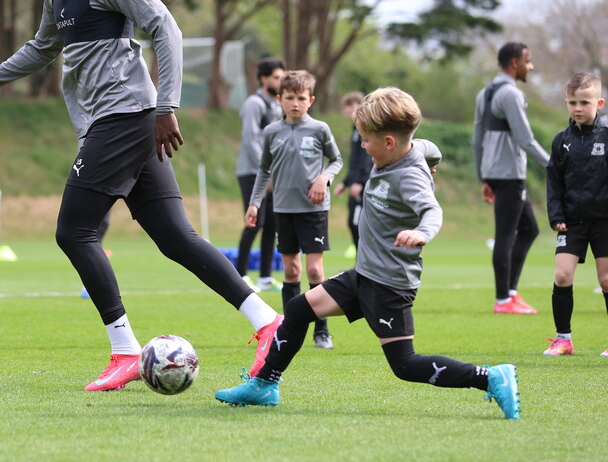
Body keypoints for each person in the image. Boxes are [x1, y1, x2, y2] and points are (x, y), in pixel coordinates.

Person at [0, 0, 282, 392]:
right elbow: (42, 48)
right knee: (176, 239)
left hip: (124, 117)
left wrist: (166, 106)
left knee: (74, 232)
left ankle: (125, 349)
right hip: (120, 121)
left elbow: (165, 26)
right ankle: (267, 322)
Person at [215, 87, 521, 420]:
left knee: (404, 364)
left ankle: (490, 377)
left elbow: (432, 211)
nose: (362, 145)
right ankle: (264, 385)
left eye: (366, 139)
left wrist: (421, 232)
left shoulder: (407, 177)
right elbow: (429, 149)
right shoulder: (413, 148)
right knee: (299, 307)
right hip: (364, 274)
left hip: (389, 284)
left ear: (389, 142)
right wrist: (433, 163)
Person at [246, 70, 343, 349]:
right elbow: (264, 170)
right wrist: (254, 203)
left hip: (314, 210)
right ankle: (291, 330)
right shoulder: (271, 132)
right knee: (290, 271)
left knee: (314, 271)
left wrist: (324, 178)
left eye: (301, 98)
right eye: (290, 98)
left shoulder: (320, 129)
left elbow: (336, 160)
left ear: (310, 100)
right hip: (283, 209)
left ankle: (322, 330)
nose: (296, 103)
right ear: (280, 99)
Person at [472, 42, 549, 314]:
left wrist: (483, 177)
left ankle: (511, 293)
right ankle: (503, 300)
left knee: (529, 229)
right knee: (505, 235)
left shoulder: (485, 92)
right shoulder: (511, 95)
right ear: (514, 62)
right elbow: (526, 140)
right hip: (510, 174)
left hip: (495, 173)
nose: (531, 66)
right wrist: (554, 165)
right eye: (528, 61)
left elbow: (476, 140)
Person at [543, 72, 608, 357]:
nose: (577, 108)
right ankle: (563, 339)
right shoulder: (561, 141)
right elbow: (553, 182)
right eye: (572, 102)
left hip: (604, 222)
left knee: (606, 280)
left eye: (584, 102)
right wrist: (556, 215)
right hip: (571, 222)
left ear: (600, 103)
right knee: (562, 275)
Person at [235, 58, 285, 293]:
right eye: (277, 77)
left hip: (273, 175)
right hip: (252, 172)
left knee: (272, 225)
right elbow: (250, 140)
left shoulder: (277, 105)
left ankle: (265, 276)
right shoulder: (254, 104)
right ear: (264, 79)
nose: (280, 81)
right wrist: (267, 172)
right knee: (255, 223)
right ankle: (241, 275)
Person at [333, 91, 373, 259]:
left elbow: (366, 158)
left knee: (358, 223)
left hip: (364, 184)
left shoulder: (366, 127)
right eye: (347, 106)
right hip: (356, 182)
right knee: (353, 222)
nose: (350, 109)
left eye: (353, 105)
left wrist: (360, 182)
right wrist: (345, 182)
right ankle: (362, 261)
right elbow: (355, 161)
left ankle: (365, 261)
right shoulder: (355, 128)